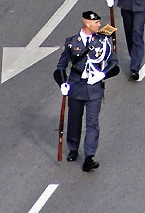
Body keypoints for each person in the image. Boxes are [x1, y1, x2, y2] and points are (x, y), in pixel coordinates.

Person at [53, 11, 118, 172]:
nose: (99, 25)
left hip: (94, 88)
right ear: (87, 23)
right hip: (76, 86)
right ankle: (73, 148)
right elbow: (61, 66)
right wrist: (62, 83)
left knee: (92, 122)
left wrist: (102, 75)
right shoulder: (72, 42)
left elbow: (114, 63)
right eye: (96, 23)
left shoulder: (103, 41)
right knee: (74, 120)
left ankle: (89, 156)